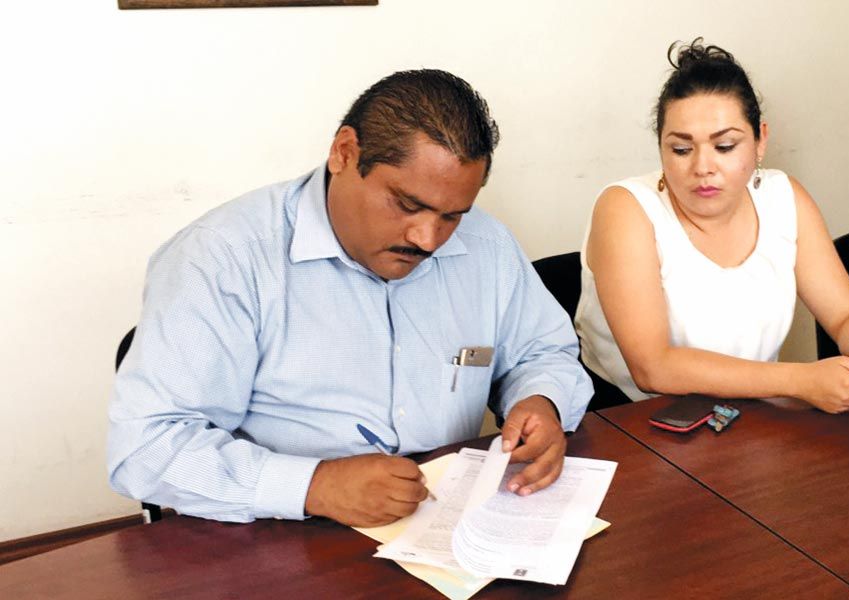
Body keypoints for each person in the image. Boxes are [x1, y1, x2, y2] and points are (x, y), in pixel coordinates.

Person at [108, 70, 592, 527]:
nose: (427, 238)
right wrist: (313, 486)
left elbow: (542, 352)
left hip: (445, 520)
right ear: (344, 153)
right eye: (407, 204)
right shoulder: (222, 258)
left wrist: (541, 400)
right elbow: (145, 447)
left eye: (452, 216)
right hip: (279, 534)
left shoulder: (487, 246)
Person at [575, 40, 849, 414]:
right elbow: (653, 367)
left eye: (725, 146)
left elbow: (848, 316)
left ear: (760, 141)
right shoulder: (625, 209)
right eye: (681, 149)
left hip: (749, 415)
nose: (703, 167)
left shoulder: (784, 198)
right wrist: (800, 381)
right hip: (631, 419)